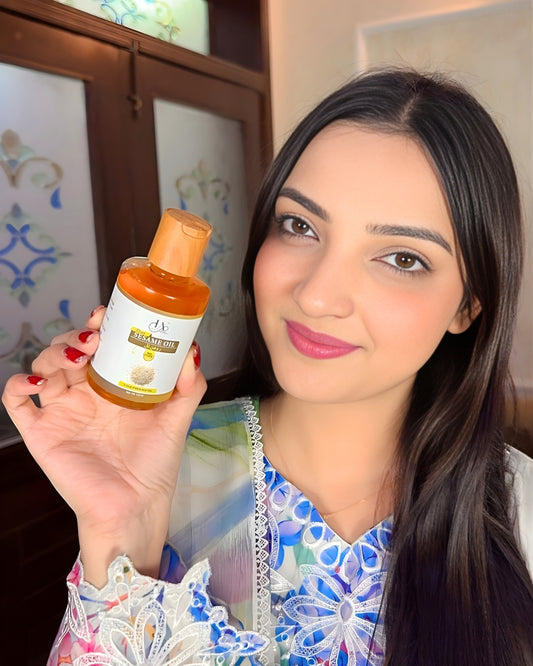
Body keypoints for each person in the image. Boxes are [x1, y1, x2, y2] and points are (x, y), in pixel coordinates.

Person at [3, 68, 533, 666]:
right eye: (299, 226)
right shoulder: (164, 470)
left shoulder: (521, 511)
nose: (316, 295)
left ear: (468, 304)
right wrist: (121, 534)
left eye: (402, 258)